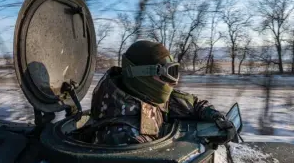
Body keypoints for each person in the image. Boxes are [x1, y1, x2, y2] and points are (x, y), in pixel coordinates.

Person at [86, 40, 236, 145]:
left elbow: (193, 104)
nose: (173, 82)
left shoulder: (146, 95)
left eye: (173, 72)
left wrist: (216, 119)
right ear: (142, 76)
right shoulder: (123, 133)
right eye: (165, 73)